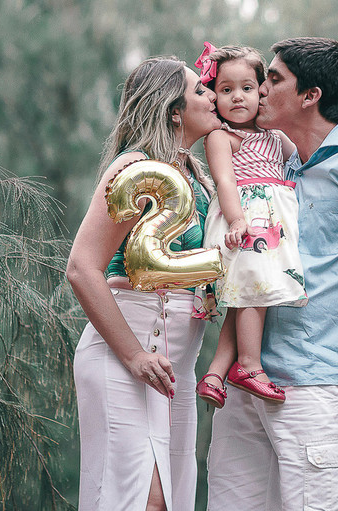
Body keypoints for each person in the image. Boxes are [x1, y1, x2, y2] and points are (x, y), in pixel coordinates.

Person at [206, 37, 338, 511]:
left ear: (311, 96)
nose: (261, 89)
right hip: (247, 386)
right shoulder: (274, 164)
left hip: (315, 389)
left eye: (273, 79)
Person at [67, 57, 220, 511]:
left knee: (170, 501)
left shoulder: (199, 179)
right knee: (142, 500)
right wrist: (134, 355)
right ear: (174, 111)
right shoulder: (137, 168)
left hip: (176, 368)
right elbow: (81, 267)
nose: (212, 96)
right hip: (126, 355)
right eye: (200, 91)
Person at [191, 44, 307, 410]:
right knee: (255, 290)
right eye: (226, 90)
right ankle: (249, 365)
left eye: (247, 88)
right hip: (243, 220)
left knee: (246, 297)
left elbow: (302, 160)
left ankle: (214, 374)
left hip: (269, 224)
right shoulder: (221, 136)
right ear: (215, 96)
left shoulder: (275, 136)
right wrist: (238, 219)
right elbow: (225, 181)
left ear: (261, 91)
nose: (237, 97)